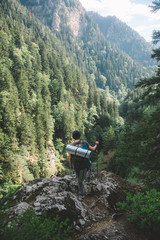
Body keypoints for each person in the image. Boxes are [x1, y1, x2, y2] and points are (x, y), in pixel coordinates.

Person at [69, 130, 99, 197]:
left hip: (76, 165)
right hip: (86, 165)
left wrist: (71, 166)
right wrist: (96, 144)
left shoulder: (71, 146)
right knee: (91, 164)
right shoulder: (84, 143)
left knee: (79, 180)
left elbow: (70, 158)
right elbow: (93, 149)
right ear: (79, 136)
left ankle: (81, 193)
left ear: (73, 137)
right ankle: (88, 178)